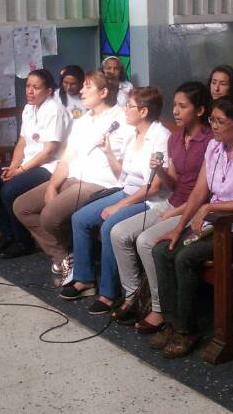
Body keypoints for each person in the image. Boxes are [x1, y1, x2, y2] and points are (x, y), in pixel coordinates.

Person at [151, 97, 233, 358]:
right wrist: (179, 228)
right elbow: (198, 192)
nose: (214, 126)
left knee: (185, 257)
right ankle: (171, 322)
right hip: (214, 227)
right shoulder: (214, 147)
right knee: (162, 249)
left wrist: (209, 208)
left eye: (221, 121)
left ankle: (186, 330)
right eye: (212, 120)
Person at [110, 82, 212, 333]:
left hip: (192, 208)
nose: (175, 111)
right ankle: (133, 296)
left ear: (200, 110)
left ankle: (158, 308)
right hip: (172, 202)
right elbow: (173, 183)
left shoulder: (209, 140)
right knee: (119, 233)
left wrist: (174, 213)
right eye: (174, 105)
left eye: (182, 106)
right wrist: (159, 170)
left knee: (146, 241)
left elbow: (204, 192)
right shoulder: (176, 138)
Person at [13, 70, 133, 280]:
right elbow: (66, 159)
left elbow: (126, 166)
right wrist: (52, 186)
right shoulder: (83, 121)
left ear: (104, 92)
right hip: (72, 179)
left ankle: (74, 260)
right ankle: (64, 256)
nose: (82, 91)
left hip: (99, 184)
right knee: (22, 206)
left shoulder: (122, 120)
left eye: (87, 87)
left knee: (50, 216)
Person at [66, 87, 170, 314]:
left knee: (109, 227)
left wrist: (119, 206)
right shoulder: (133, 133)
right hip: (127, 192)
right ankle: (85, 280)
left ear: (143, 111)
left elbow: (154, 187)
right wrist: (108, 152)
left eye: (129, 106)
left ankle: (109, 294)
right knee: (79, 218)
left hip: (150, 200)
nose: (125, 110)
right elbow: (123, 175)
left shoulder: (161, 136)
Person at [0, 69, 70, 259]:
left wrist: (20, 171)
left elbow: (49, 151)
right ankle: (8, 234)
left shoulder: (54, 110)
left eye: (36, 87)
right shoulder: (29, 108)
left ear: (49, 91)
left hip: (50, 166)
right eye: (28, 86)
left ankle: (23, 242)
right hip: (27, 164)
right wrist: (14, 166)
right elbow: (22, 142)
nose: (30, 91)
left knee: (9, 190)